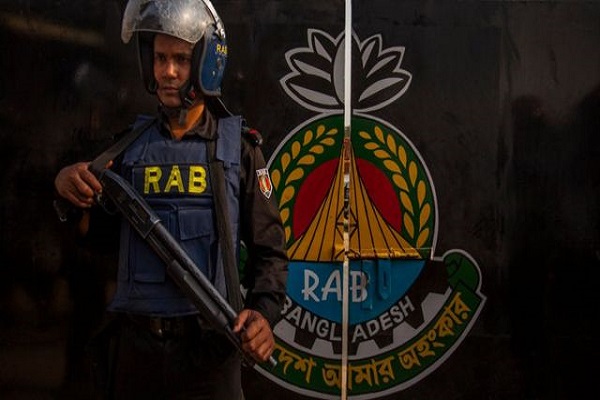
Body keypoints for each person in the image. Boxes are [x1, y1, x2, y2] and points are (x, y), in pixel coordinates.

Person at [53, 0, 288, 399]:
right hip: (137, 352)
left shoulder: (239, 150)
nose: (168, 72)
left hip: (211, 350)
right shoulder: (127, 150)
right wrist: (69, 189)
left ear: (207, 63)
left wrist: (263, 315)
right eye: (160, 58)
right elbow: (98, 242)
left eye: (181, 59)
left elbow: (271, 254)